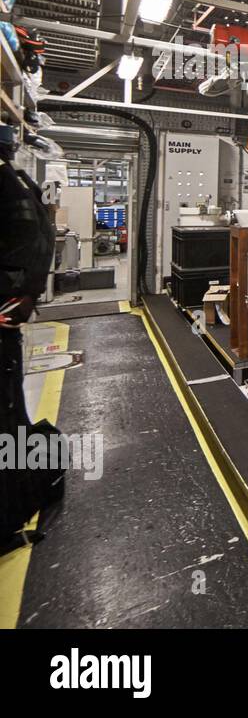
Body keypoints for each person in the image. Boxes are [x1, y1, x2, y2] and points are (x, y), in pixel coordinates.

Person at [0, 123, 57, 554]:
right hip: (10, 317)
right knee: (9, 409)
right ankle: (17, 500)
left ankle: (12, 509)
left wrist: (16, 299)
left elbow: (31, 248)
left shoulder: (9, 186)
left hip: (4, 320)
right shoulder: (17, 183)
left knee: (7, 411)